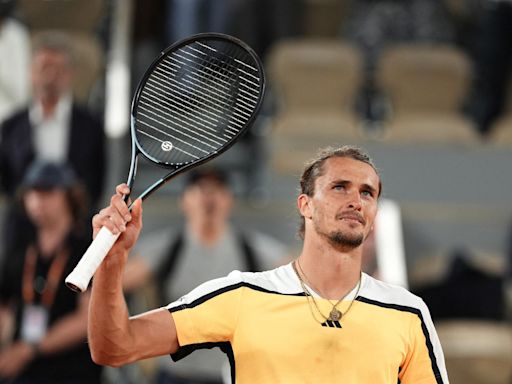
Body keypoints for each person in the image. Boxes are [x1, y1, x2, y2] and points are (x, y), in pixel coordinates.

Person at [87, 145, 449, 383]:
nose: (356, 199)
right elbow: (114, 346)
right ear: (305, 205)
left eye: (367, 192)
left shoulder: (408, 312)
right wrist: (112, 262)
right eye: (340, 187)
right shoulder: (241, 296)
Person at [123, 167, 290, 383]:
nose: (209, 197)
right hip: (176, 375)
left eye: (218, 189)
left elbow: (300, 277)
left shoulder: (253, 249)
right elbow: (112, 286)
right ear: (184, 200)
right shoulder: (166, 249)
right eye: (200, 189)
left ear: (229, 200)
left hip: (234, 375)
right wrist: (113, 248)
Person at [0, 30, 106, 256]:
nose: (50, 76)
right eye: (44, 68)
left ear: (70, 74)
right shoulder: (11, 126)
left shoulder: (90, 125)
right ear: (31, 72)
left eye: (58, 69)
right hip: (22, 235)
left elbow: (96, 179)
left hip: (76, 233)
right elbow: (8, 181)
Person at [0, 161, 102, 383]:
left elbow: (87, 318)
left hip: (72, 370)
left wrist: (31, 349)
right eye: (32, 192)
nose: (37, 200)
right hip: (23, 371)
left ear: (69, 196)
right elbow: (5, 307)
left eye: (47, 192)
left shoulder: (87, 250)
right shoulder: (21, 250)